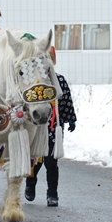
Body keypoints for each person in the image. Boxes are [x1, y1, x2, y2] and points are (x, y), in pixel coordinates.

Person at [24, 46, 77, 207]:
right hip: (37, 127)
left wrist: (70, 119)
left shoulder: (59, 80)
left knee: (51, 163)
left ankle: (52, 194)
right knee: (36, 161)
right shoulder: (33, 82)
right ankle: (30, 184)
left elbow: (66, 100)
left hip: (54, 127)